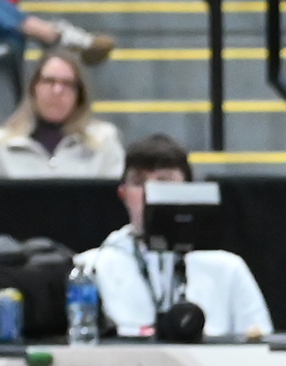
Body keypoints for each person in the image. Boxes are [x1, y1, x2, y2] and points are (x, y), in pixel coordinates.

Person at [80, 134, 273, 337]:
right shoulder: (92, 267)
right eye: (139, 182)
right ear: (123, 194)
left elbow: (259, 345)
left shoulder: (226, 269)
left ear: (187, 189)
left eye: (164, 181)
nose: (150, 192)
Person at [0, 49, 127, 178]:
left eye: (67, 84)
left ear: (79, 95)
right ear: (34, 88)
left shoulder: (103, 140)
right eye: (49, 81)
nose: (57, 91)